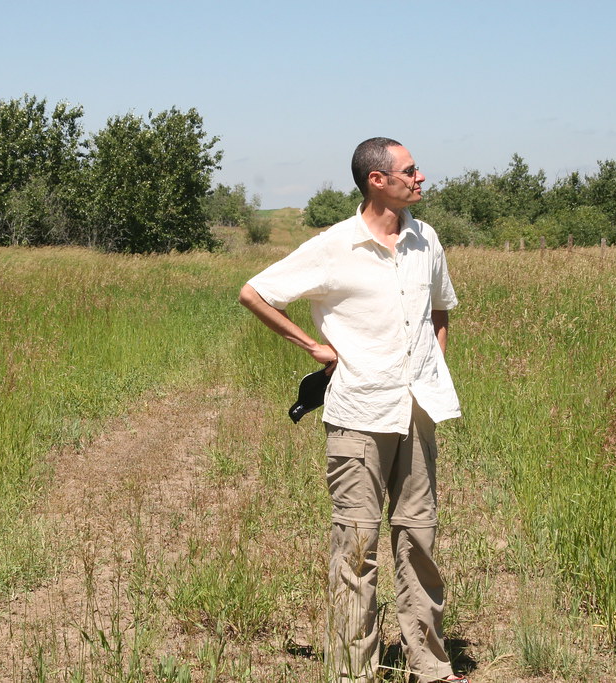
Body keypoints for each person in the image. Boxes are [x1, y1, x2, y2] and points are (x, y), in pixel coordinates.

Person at [239, 138, 467, 683]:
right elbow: (255, 293)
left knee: (418, 539)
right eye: (410, 171)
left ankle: (431, 668)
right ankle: (352, 672)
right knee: (357, 546)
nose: (421, 178)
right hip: (357, 414)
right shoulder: (334, 247)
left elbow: (441, 309)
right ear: (377, 181)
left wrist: (431, 365)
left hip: (416, 413)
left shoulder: (425, 239)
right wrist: (313, 347)